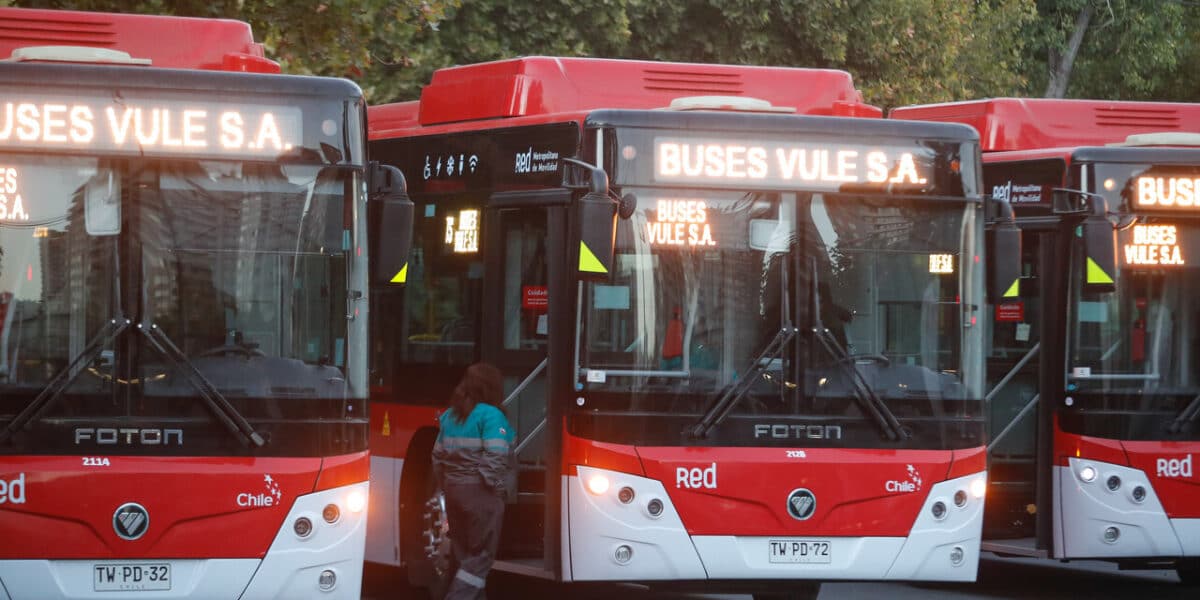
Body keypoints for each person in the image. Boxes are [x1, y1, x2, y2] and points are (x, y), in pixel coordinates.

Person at [431, 362, 515, 600]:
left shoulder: (450, 416)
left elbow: (437, 456)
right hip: (479, 494)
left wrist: (446, 484)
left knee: (466, 556)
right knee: (480, 558)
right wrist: (491, 485)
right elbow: (497, 454)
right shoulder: (492, 415)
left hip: (454, 490)